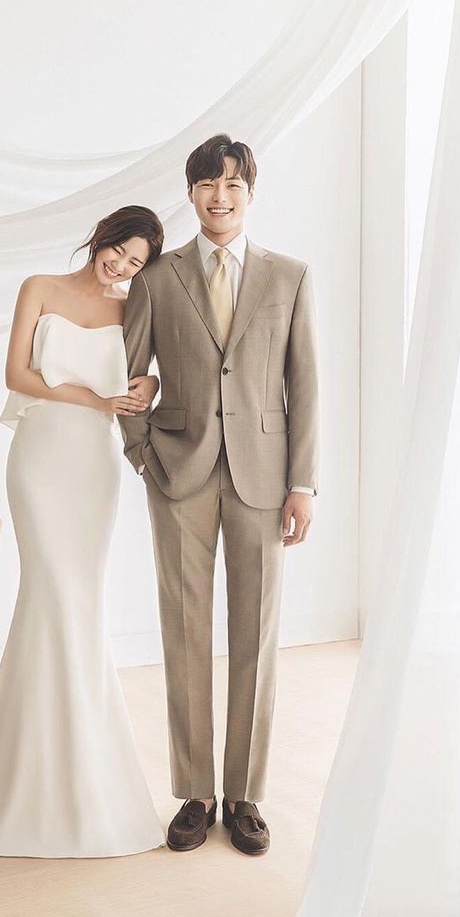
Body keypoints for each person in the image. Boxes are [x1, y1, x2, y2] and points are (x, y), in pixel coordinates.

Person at [0, 205, 167, 858]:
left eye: (137, 263)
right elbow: (17, 376)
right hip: (42, 454)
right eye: (119, 251)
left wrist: (147, 384)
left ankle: (85, 768)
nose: (123, 266)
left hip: (97, 465)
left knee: (78, 602)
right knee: (48, 593)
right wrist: (91, 397)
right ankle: (29, 775)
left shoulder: (135, 309)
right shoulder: (41, 288)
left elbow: (151, 375)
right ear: (101, 237)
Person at [118, 134, 320, 856]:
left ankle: (246, 793)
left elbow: (306, 385)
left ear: (250, 192)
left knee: (256, 637)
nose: (219, 196)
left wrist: (303, 483)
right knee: (185, 632)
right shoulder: (159, 277)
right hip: (179, 473)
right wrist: (142, 455)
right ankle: (196, 793)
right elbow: (128, 376)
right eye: (207, 184)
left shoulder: (288, 276)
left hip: (265, 479)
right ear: (192, 192)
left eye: (232, 184)